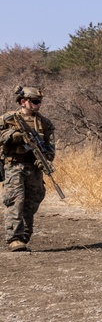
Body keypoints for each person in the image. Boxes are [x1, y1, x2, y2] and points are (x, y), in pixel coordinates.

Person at [0, 86, 55, 251]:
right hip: (14, 164)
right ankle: (14, 238)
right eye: (35, 102)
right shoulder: (7, 119)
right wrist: (12, 135)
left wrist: (45, 159)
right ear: (23, 102)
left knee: (33, 199)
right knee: (15, 200)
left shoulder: (44, 123)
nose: (38, 105)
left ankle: (25, 233)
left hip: (34, 166)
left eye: (40, 102)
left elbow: (50, 148)